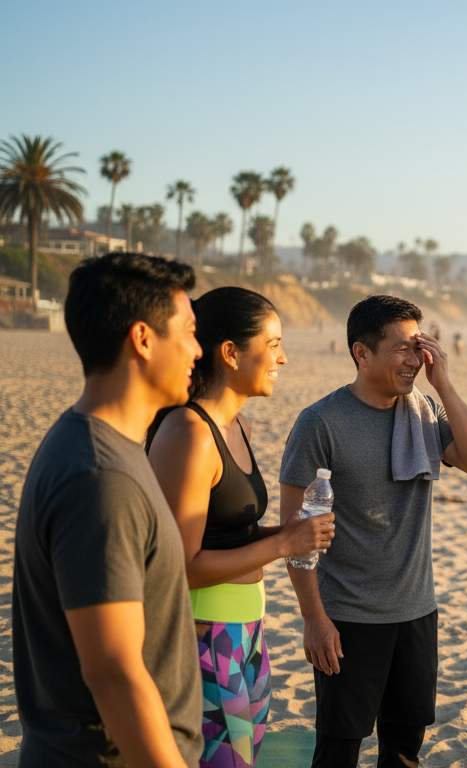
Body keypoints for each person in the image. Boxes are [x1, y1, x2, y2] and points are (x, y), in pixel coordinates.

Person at [279, 295, 467, 767]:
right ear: (362, 353)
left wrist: (445, 385)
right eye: (401, 348)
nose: (415, 360)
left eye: (419, 347)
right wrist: (313, 618)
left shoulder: (423, 412)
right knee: (339, 750)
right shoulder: (321, 422)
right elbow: (293, 532)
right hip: (347, 617)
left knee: (404, 751)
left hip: (417, 611)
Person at [12, 253, 204, 767]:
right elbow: (113, 673)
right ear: (142, 339)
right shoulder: (101, 478)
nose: (197, 349)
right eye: (187, 332)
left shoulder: (99, 444)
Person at [146, 287, 335, 768]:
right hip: (199, 631)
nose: (283, 358)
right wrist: (284, 543)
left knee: (242, 759)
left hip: (247, 627)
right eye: (272, 345)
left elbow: (229, 532)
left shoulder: (240, 426)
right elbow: (180, 568)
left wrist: (286, 532)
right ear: (230, 353)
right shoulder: (189, 434)